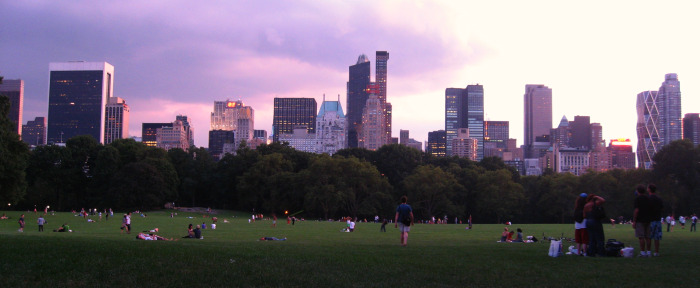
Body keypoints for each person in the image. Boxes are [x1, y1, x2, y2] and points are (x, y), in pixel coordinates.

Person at [633, 185, 652, 257]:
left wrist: (634, 220)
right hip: (648, 219)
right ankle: (649, 252)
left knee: (641, 237)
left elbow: (636, 210)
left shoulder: (637, 199)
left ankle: (642, 252)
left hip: (640, 220)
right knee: (648, 237)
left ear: (638, 191)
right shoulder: (648, 198)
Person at [648, 184, 663, 257]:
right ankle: (656, 252)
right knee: (657, 238)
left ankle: (649, 252)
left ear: (649, 189)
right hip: (658, 220)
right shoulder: (659, 198)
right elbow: (662, 207)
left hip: (650, 220)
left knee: (649, 237)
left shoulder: (648, 198)